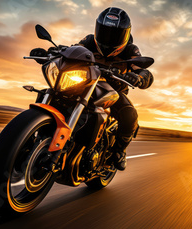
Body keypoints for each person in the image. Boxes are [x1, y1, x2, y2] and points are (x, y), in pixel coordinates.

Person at [30, 7, 154, 171]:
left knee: (130, 115)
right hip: (85, 83)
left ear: (125, 34)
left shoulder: (131, 50)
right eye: (104, 31)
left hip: (113, 91)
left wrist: (139, 77)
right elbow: (73, 50)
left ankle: (119, 151)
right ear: (97, 29)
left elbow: (142, 69)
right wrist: (51, 52)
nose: (108, 38)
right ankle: (31, 138)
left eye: (115, 34)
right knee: (50, 91)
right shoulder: (89, 40)